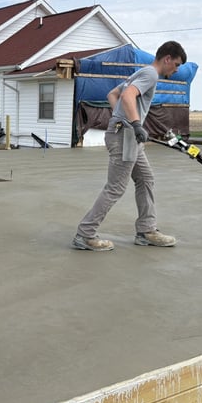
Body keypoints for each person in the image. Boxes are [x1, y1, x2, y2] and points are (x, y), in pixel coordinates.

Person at [72, 41, 187, 251]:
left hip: (128, 136)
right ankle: (85, 234)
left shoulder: (139, 73)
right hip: (125, 137)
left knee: (145, 179)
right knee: (115, 188)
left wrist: (124, 118)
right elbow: (126, 95)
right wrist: (134, 123)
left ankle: (146, 231)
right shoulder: (151, 74)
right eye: (177, 64)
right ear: (167, 58)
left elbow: (112, 95)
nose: (177, 69)